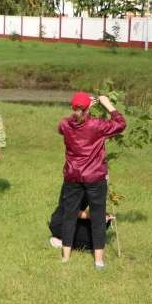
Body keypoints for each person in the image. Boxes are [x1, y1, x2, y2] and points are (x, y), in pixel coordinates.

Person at [57, 92, 126, 270]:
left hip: (72, 176)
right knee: (97, 216)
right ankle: (98, 261)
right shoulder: (97, 125)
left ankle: (65, 257)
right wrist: (107, 104)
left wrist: (86, 108)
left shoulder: (65, 124)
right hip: (94, 177)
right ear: (89, 107)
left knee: (69, 214)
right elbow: (121, 124)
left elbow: (69, 124)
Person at [48, 193, 114, 251]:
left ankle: (68, 240)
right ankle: (64, 242)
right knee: (94, 242)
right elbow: (71, 211)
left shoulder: (96, 184)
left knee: (101, 230)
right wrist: (95, 216)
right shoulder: (76, 184)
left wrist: (105, 216)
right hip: (61, 222)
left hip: (75, 219)